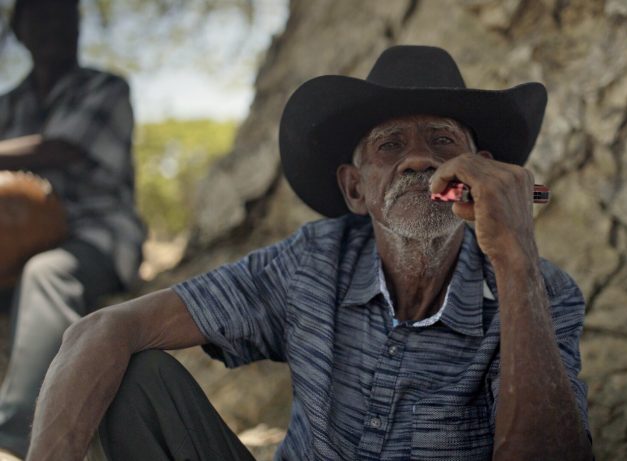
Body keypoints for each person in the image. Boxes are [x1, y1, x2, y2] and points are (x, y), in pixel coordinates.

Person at [28, 46, 592, 461]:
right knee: (138, 378)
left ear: (483, 172)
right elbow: (100, 331)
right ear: (354, 189)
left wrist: (515, 256)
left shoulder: (543, 292)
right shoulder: (310, 262)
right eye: (390, 145)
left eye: (443, 141)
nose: (420, 161)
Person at [0, 0, 145, 459]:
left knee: (46, 273)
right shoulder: (8, 105)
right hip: (12, 245)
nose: (58, 26)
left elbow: (61, 149)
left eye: (67, 15)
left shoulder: (106, 88)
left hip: (96, 234)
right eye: (43, 15)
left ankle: (14, 442)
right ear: (19, 31)